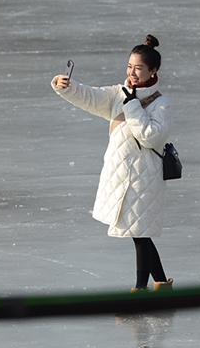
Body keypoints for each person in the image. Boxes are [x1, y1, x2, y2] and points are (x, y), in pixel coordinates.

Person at [51, 35, 174, 292]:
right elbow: (91, 96)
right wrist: (65, 86)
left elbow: (151, 137)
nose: (132, 72)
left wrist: (132, 106)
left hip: (144, 178)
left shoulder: (161, 104)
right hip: (122, 177)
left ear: (153, 71)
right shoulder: (119, 94)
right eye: (129, 66)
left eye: (138, 68)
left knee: (140, 234)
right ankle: (161, 283)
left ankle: (140, 290)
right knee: (139, 233)